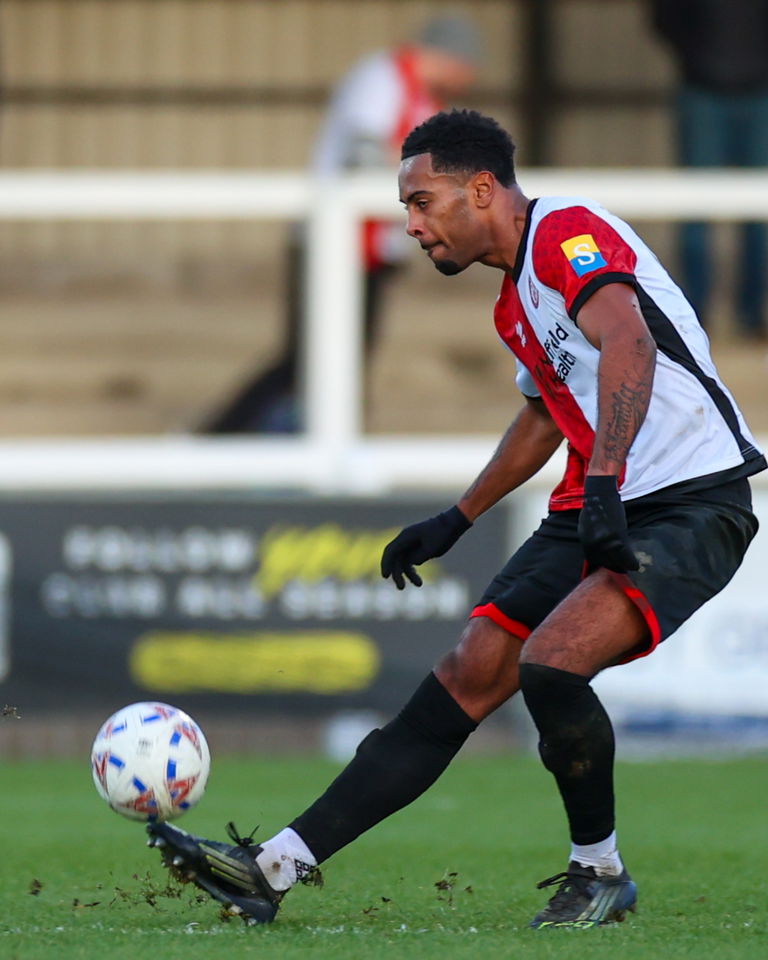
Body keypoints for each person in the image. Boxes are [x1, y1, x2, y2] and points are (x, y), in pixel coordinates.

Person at [148, 110, 764, 929]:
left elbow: (630, 343)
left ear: (482, 190)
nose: (412, 226)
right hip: (602, 496)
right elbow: (546, 414)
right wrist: (457, 517)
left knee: (550, 664)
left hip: (693, 495)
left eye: (422, 201)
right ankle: (274, 868)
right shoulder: (515, 306)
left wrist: (610, 482)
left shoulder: (567, 234)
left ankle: (600, 873)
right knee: (469, 671)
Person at [200, 16, 481, 433]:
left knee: (343, 361)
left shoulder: (420, 97)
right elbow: (363, 158)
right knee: (309, 360)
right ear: (450, 59)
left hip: (370, 250)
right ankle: (217, 442)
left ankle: (318, 449)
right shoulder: (381, 79)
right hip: (336, 244)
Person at [651, 0, 768, 338]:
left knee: (758, 211)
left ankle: (751, 314)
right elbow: (664, 17)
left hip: (760, 90)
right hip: (702, 88)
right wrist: (697, 59)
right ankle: (693, 314)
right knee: (695, 209)